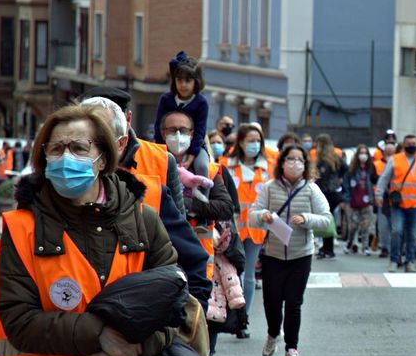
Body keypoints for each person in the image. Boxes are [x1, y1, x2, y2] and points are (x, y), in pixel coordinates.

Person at [0, 104, 179, 356]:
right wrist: (101, 336)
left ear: (104, 158)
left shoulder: (144, 221)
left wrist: (125, 351)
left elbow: (174, 307)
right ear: (43, 158)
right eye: (56, 148)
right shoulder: (20, 230)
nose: (67, 157)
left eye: (79, 148)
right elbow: (18, 320)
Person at [80, 95, 213, 311]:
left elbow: (188, 258)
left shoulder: (152, 190)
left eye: (96, 140)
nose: (84, 151)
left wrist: (183, 326)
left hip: (138, 327)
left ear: (119, 144)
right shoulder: (44, 198)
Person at [250, 144, 332, 356]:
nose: (295, 163)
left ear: (305, 165)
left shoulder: (311, 189)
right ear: (282, 162)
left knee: (294, 302)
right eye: (290, 159)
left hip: (301, 254)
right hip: (273, 254)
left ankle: (292, 349)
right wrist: (263, 216)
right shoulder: (269, 187)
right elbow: (251, 216)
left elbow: (326, 218)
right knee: (272, 301)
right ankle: (272, 333)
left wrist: (306, 218)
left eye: (299, 160)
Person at [80, 86, 186, 214]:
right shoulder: (71, 160)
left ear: (128, 119)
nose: (103, 136)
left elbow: (178, 225)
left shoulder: (163, 160)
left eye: (108, 126)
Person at [159, 110, 235, 278]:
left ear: (192, 134)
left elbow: (226, 208)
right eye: (172, 130)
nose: (178, 135)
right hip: (162, 256)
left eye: (183, 130)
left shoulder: (209, 170)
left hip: (198, 259)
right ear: (163, 134)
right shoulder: (151, 166)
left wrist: (188, 204)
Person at [223, 124, 273, 336]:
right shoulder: (226, 164)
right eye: (250, 140)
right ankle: (231, 316)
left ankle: (243, 320)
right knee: (233, 274)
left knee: (249, 275)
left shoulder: (268, 166)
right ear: (241, 142)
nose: (254, 144)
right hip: (231, 230)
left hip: (256, 229)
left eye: (258, 141)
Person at [153, 51, 212, 203]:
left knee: (202, 166)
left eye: (188, 81)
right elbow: (158, 127)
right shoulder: (166, 99)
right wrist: (161, 149)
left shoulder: (201, 102)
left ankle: (202, 202)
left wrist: (191, 157)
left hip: (194, 145)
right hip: (167, 144)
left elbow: (200, 131)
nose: (183, 85)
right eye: (179, 80)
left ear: (196, 82)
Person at [375, 134, 416, 272]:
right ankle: (394, 260)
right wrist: (379, 194)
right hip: (398, 204)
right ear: (404, 144)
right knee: (397, 231)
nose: (411, 145)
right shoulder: (395, 160)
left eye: (413, 143)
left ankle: (410, 261)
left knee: (412, 234)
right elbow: (384, 178)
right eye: (408, 143)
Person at [314, 134, 346, 259]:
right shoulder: (335, 157)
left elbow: (322, 178)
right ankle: (327, 247)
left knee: (326, 220)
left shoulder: (323, 160)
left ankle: (328, 248)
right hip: (334, 192)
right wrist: (338, 177)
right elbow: (345, 167)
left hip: (326, 192)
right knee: (329, 219)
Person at [342, 144, 377, 256]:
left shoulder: (371, 168)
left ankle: (365, 247)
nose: (363, 155)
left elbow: (375, 180)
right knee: (353, 225)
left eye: (365, 153)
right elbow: (346, 184)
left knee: (366, 225)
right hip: (353, 200)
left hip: (367, 200)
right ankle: (349, 243)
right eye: (361, 153)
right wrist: (346, 199)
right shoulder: (351, 169)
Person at [375, 142, 396, 258]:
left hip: (396, 199)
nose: (389, 154)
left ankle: (395, 248)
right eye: (387, 152)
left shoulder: (397, 162)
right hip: (383, 198)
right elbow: (375, 179)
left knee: (395, 226)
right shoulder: (377, 164)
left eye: (391, 152)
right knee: (383, 226)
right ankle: (385, 247)